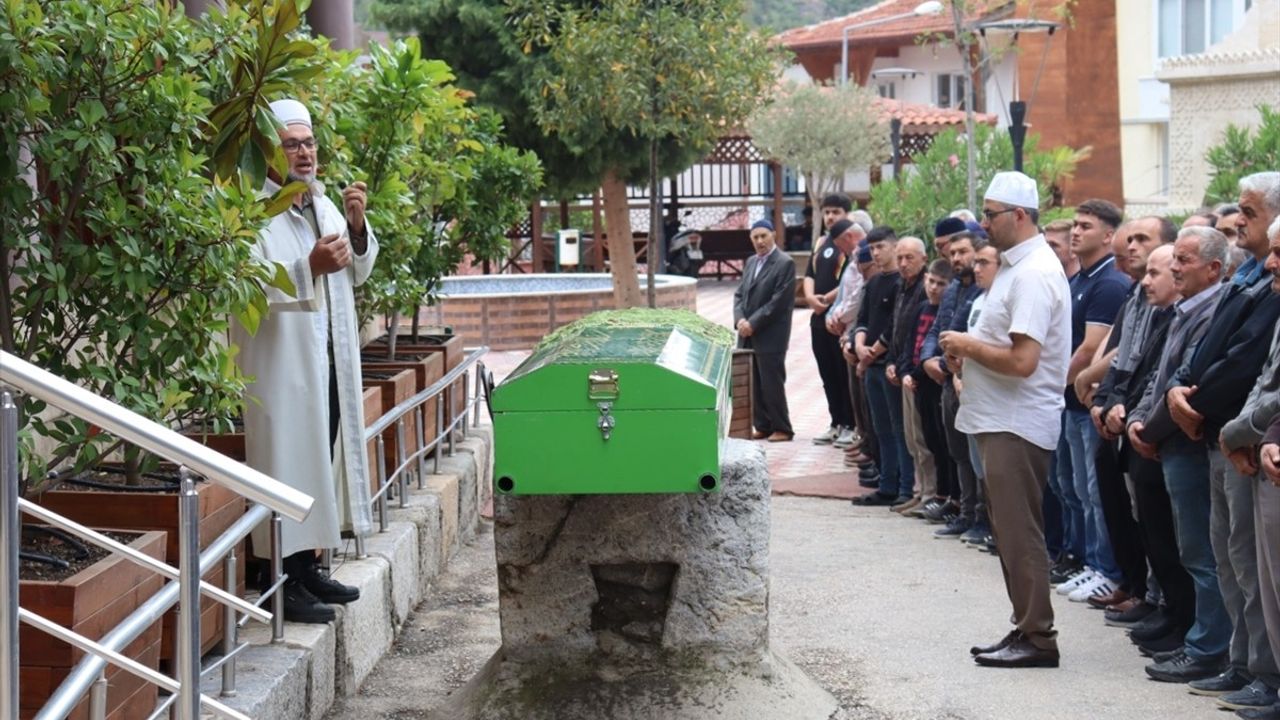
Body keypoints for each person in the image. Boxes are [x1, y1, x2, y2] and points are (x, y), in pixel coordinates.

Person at [234, 98, 378, 624]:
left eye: (309, 143)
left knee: (317, 461)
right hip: (280, 365)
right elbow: (245, 287)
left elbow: (356, 272)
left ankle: (308, 568)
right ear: (270, 151)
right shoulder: (251, 211)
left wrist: (357, 229)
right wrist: (307, 268)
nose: (304, 153)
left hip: (327, 361)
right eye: (291, 144)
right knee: (285, 466)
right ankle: (280, 581)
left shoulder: (322, 204)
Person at [941, 171, 1071, 668]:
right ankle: (1025, 625)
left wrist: (967, 345)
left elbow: (1023, 362)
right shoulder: (1017, 267)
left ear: (1019, 215)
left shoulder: (1034, 272)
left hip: (1017, 421)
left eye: (990, 214)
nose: (983, 223)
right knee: (1009, 531)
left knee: (1020, 533)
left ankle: (1038, 637)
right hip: (998, 417)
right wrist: (968, 353)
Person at [1156, 172, 1280, 686]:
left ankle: (1263, 673)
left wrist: (1207, 414)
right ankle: (1242, 663)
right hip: (1224, 434)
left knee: (1253, 566)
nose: (1239, 223)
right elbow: (1203, 351)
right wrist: (1177, 392)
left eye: (1249, 213)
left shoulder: (1267, 287)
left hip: (1242, 439)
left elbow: (1247, 365)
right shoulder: (1246, 276)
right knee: (1229, 557)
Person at [1127, 226, 1232, 681]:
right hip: (1168, 442)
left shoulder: (1212, 311)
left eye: (1184, 260)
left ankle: (1208, 647)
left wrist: (1149, 430)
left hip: (1187, 445)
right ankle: (1197, 637)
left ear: (1213, 268)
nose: (1173, 268)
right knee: (1189, 549)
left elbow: (1186, 387)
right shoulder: (1184, 309)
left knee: (1202, 553)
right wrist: (1139, 420)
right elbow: (1160, 378)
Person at [1217, 215, 1280, 715]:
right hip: (1261, 448)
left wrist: (1237, 431)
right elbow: (1267, 381)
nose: (1270, 263)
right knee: (1260, 575)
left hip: (1260, 447)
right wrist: (1253, 434)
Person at [734, 219, 796, 442]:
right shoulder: (751, 262)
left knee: (771, 382)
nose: (760, 241)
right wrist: (740, 319)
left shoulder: (784, 263)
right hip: (748, 332)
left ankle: (782, 427)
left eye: (764, 236)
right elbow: (739, 294)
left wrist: (753, 323)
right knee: (754, 382)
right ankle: (763, 425)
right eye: (755, 237)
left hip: (771, 334)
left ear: (774, 235)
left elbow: (778, 302)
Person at [805, 194, 856, 445]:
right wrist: (810, 298)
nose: (830, 217)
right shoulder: (821, 242)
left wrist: (826, 299)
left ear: (847, 214)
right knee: (827, 374)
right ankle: (835, 422)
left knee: (842, 373)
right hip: (818, 319)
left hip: (838, 320)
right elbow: (809, 274)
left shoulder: (850, 244)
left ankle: (850, 424)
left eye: (836, 212)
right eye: (826, 212)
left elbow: (850, 281)